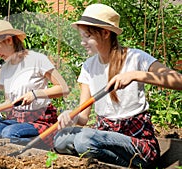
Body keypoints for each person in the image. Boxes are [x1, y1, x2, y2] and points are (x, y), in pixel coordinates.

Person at [53, 3, 182, 168]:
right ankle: (103, 156)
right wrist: (71, 117)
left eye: (88, 36)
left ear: (105, 33)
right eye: (82, 37)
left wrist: (135, 75)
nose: (83, 42)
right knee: (61, 138)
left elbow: (178, 80)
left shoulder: (135, 57)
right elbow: (83, 117)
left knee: (84, 140)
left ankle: (133, 165)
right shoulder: (88, 66)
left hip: (137, 144)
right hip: (104, 136)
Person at [0, 19, 70, 146]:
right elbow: (11, 102)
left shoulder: (37, 59)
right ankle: (22, 142)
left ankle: (46, 142)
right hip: (17, 120)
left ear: (9, 40)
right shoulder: (6, 69)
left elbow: (63, 88)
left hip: (39, 119)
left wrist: (35, 94)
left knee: (9, 133)